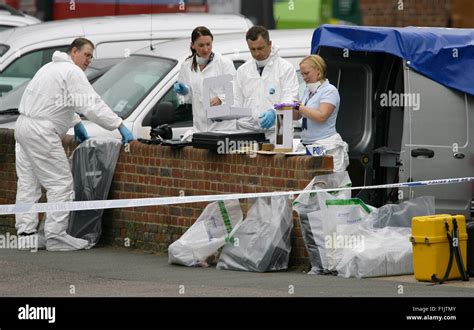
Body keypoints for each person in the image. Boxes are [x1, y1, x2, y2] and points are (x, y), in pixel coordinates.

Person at [15, 38, 134, 251]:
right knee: (61, 184)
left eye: (91, 56)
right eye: (86, 54)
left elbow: (56, 101)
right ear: (74, 52)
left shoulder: (49, 68)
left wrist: (76, 122)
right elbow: (91, 104)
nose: (89, 60)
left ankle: (26, 234)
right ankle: (55, 236)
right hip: (40, 132)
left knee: (28, 182)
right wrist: (118, 125)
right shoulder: (72, 72)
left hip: (23, 127)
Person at [234, 25, 299, 141]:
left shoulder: (285, 68)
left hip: (279, 130)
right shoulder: (242, 71)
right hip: (248, 131)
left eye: (260, 48)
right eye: (252, 49)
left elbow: (291, 98)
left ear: (270, 44)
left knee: (278, 158)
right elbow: (237, 103)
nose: (257, 53)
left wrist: (274, 112)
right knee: (248, 159)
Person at [174, 26, 237, 141]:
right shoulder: (187, 65)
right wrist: (184, 92)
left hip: (223, 128)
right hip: (200, 128)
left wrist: (220, 99)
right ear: (193, 45)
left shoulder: (224, 63)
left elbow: (235, 91)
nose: (206, 49)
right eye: (201, 45)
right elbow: (185, 100)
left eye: (208, 44)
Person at [294, 55, 349, 172]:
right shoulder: (307, 91)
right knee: (307, 178)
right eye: (302, 74)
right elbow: (299, 115)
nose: (304, 77)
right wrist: (289, 108)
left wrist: (299, 106)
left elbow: (321, 116)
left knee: (322, 178)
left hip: (325, 143)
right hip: (307, 143)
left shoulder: (330, 90)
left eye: (306, 73)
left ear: (318, 70)